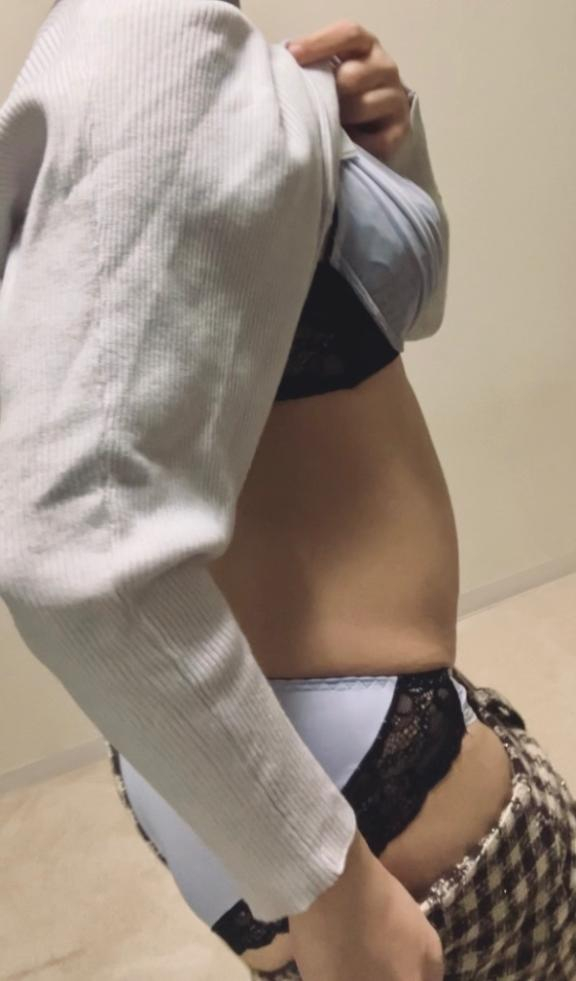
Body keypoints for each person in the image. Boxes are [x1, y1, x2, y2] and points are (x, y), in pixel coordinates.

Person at [0, 3, 573, 981]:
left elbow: (404, 314)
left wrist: (388, 145)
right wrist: (325, 880)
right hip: (352, 781)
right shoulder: (146, 40)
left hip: (323, 745)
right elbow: (65, 545)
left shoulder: (173, 52)